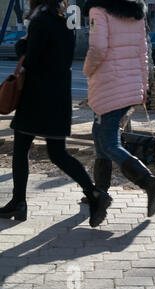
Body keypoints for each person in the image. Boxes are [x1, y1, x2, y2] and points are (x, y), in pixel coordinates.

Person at [0, 0, 112, 227]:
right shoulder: (64, 24)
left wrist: (21, 47)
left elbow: (32, 60)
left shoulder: (40, 22)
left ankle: (20, 202)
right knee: (57, 153)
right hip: (58, 97)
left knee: (21, 149)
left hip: (36, 98)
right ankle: (93, 194)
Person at [82, 0, 155, 218]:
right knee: (100, 136)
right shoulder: (136, 14)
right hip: (129, 88)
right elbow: (143, 54)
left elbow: (97, 49)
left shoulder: (98, 11)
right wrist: (144, 87)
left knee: (108, 143)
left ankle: (149, 183)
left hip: (108, 88)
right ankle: (100, 191)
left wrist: (87, 70)